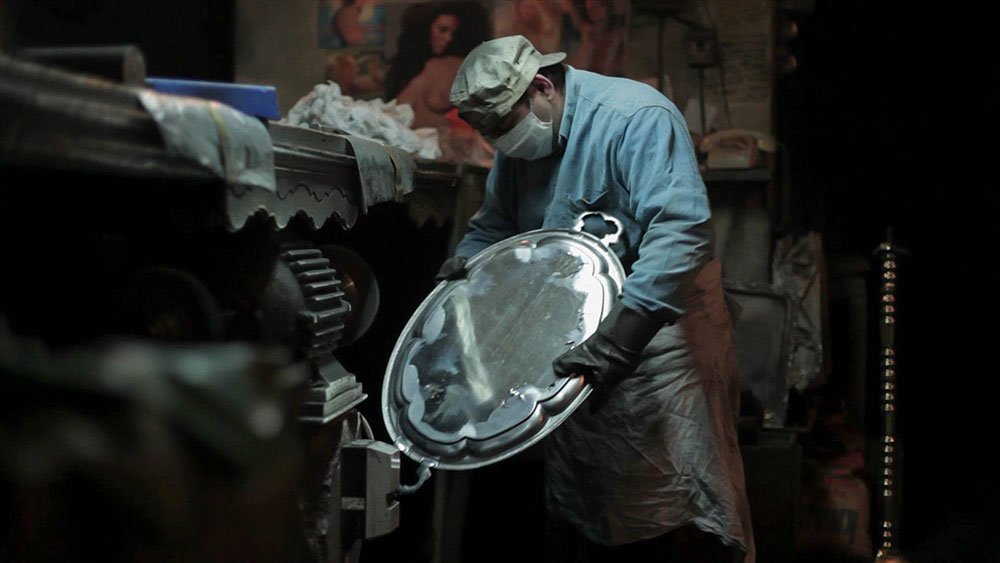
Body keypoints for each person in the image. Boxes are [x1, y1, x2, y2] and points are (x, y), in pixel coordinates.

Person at [437, 35, 755, 562]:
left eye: (503, 125)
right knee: (594, 503)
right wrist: (471, 262)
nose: (499, 142)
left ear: (542, 87)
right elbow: (496, 224)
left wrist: (621, 340)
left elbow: (682, 232)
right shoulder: (519, 146)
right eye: (487, 131)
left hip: (661, 337)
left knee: (673, 498)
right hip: (576, 336)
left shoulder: (636, 117)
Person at [384, 2, 489, 130]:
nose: (448, 38)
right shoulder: (426, 67)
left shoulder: (453, 67)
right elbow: (398, 111)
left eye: (454, 33)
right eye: (442, 30)